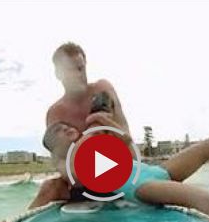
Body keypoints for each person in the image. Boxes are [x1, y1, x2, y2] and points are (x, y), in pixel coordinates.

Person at [30, 121, 209, 217]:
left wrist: (113, 128)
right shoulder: (69, 160)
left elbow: (128, 149)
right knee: (206, 202)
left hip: (155, 171)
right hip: (140, 186)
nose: (65, 128)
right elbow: (76, 178)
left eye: (66, 125)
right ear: (54, 148)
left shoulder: (91, 137)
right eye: (58, 131)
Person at [29, 42, 133, 208]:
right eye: (71, 70)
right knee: (49, 187)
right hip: (80, 179)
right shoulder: (55, 113)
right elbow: (59, 162)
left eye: (81, 68)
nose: (79, 75)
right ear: (58, 74)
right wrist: (77, 175)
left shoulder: (102, 88)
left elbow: (126, 136)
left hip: (116, 165)